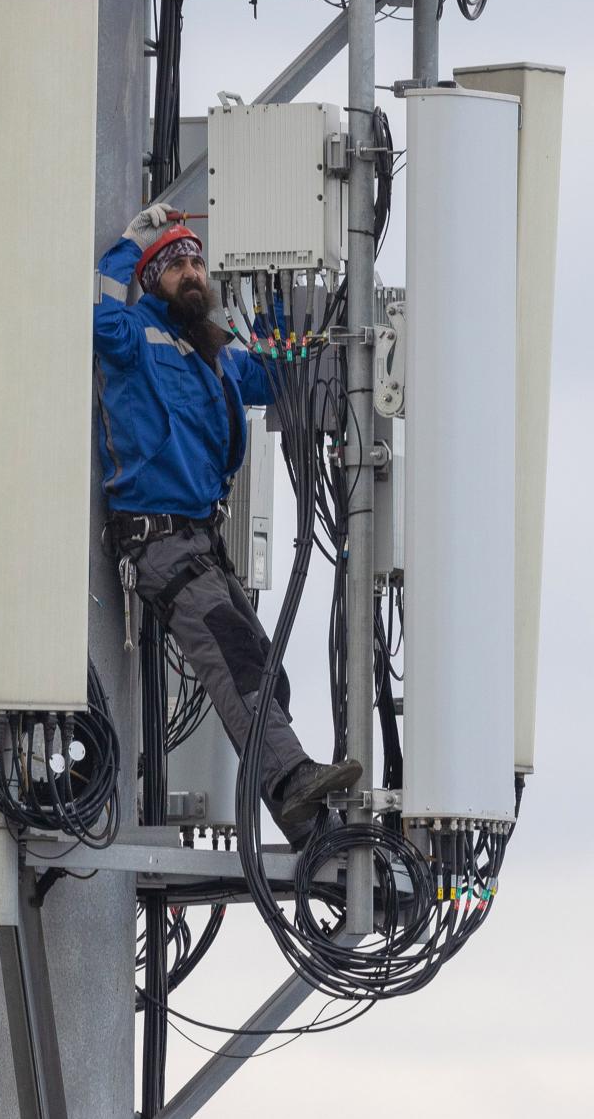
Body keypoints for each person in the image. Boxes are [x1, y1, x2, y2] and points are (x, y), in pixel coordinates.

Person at [94, 203, 362, 844]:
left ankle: (305, 816)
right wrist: (133, 243)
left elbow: (277, 372)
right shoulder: (133, 337)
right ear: (153, 278)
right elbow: (98, 313)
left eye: (196, 262)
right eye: (176, 264)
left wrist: (299, 301)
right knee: (240, 664)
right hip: (157, 540)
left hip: (199, 542)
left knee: (268, 670)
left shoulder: (213, 353)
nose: (190, 271)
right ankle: (292, 786)